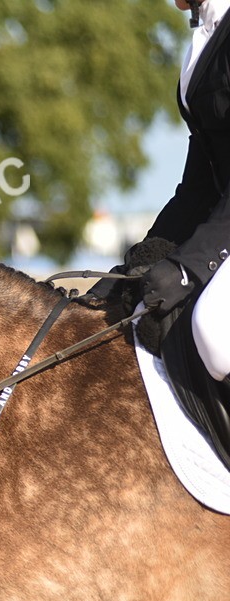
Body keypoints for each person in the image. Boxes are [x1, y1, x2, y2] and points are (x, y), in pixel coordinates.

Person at [140, 0, 230, 386]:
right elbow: (200, 185)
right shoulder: (204, 41)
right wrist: (145, 257)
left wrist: (190, 266)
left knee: (213, 332)